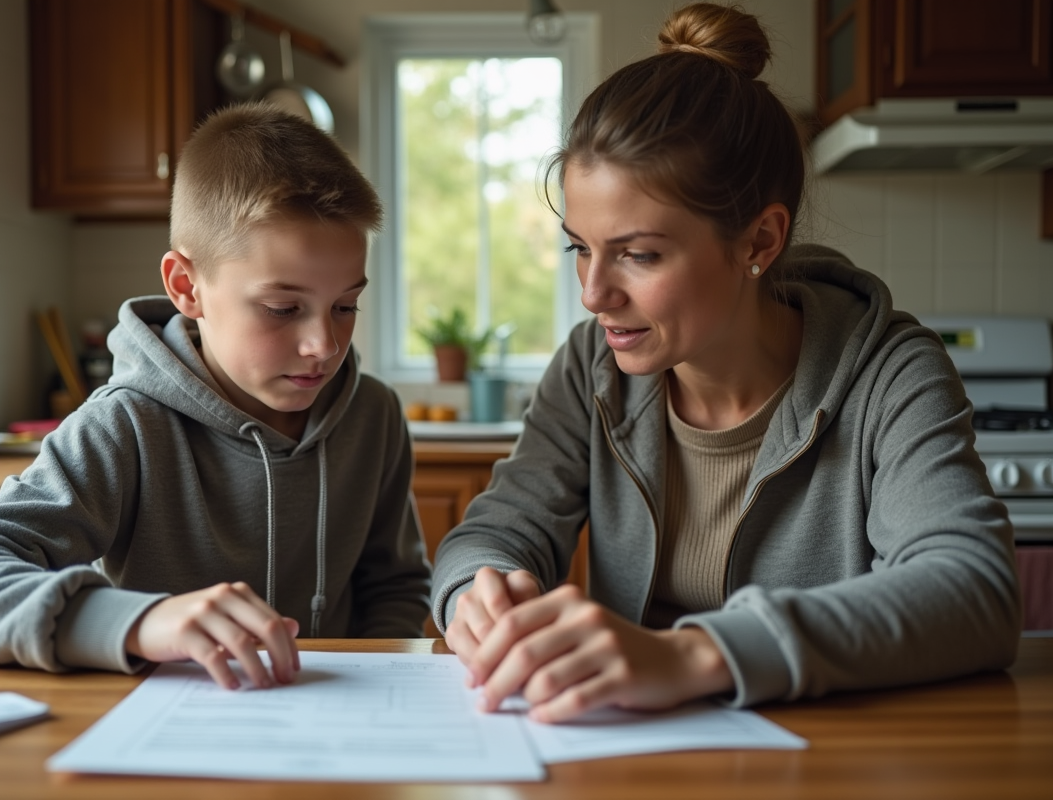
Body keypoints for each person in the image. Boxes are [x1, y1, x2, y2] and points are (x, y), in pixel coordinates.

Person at [432, 3, 1020, 723]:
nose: (592, 294)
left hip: (832, 756)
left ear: (758, 241)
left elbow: (974, 589)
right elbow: (495, 532)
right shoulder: (593, 365)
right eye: (579, 247)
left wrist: (692, 655)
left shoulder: (890, 374)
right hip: (636, 750)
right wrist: (478, 590)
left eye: (638, 255)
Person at [0, 104, 431, 691]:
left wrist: (376, 675)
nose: (323, 345)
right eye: (282, 309)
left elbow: (395, 586)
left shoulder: (373, 415)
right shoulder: (123, 426)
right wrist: (138, 621)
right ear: (186, 287)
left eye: (345, 306)